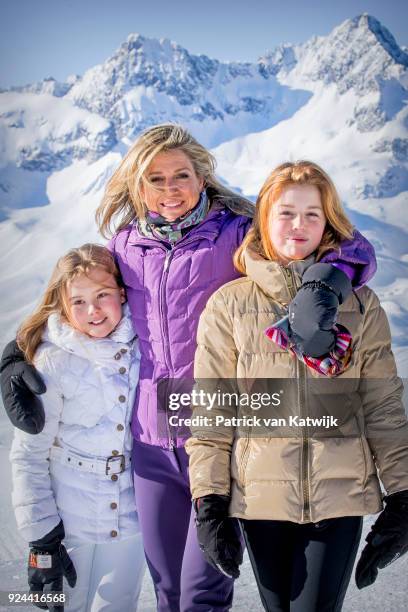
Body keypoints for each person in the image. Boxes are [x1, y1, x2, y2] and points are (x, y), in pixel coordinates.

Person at [2, 126, 377, 611]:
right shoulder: (124, 247)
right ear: (137, 185)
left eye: (182, 174)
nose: (170, 188)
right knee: (168, 591)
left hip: (221, 439)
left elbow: (342, 243)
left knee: (203, 592)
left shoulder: (238, 234)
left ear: (203, 176)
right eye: (155, 179)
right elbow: (81, 299)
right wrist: (21, 347)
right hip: (153, 445)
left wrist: (329, 282)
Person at [186, 161, 408, 611]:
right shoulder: (230, 304)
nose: (299, 225)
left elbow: (383, 406)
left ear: (329, 222)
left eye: (313, 214)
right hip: (261, 499)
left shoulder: (361, 305)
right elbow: (213, 412)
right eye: (286, 212)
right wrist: (209, 500)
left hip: (339, 498)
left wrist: (403, 495)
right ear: (264, 218)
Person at [10, 244, 145, 612]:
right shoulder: (52, 360)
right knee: (65, 604)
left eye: (102, 295)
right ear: (62, 305)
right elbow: (28, 455)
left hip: (129, 517)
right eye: (79, 301)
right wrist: (41, 541)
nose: (93, 311)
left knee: (117, 604)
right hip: (69, 523)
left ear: (121, 292)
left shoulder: (143, 346)